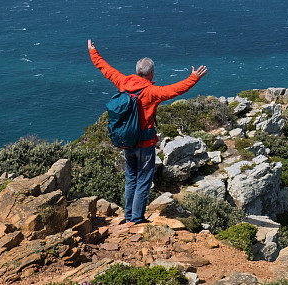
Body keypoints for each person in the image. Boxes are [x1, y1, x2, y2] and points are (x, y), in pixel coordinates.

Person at [87, 39, 207, 224]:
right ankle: (136, 218)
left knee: (131, 179)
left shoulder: (123, 82)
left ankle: (128, 216)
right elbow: (174, 90)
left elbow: (105, 69)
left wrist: (93, 51)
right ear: (151, 73)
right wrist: (194, 78)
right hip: (145, 144)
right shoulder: (152, 91)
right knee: (143, 180)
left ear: (137, 71)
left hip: (127, 141)